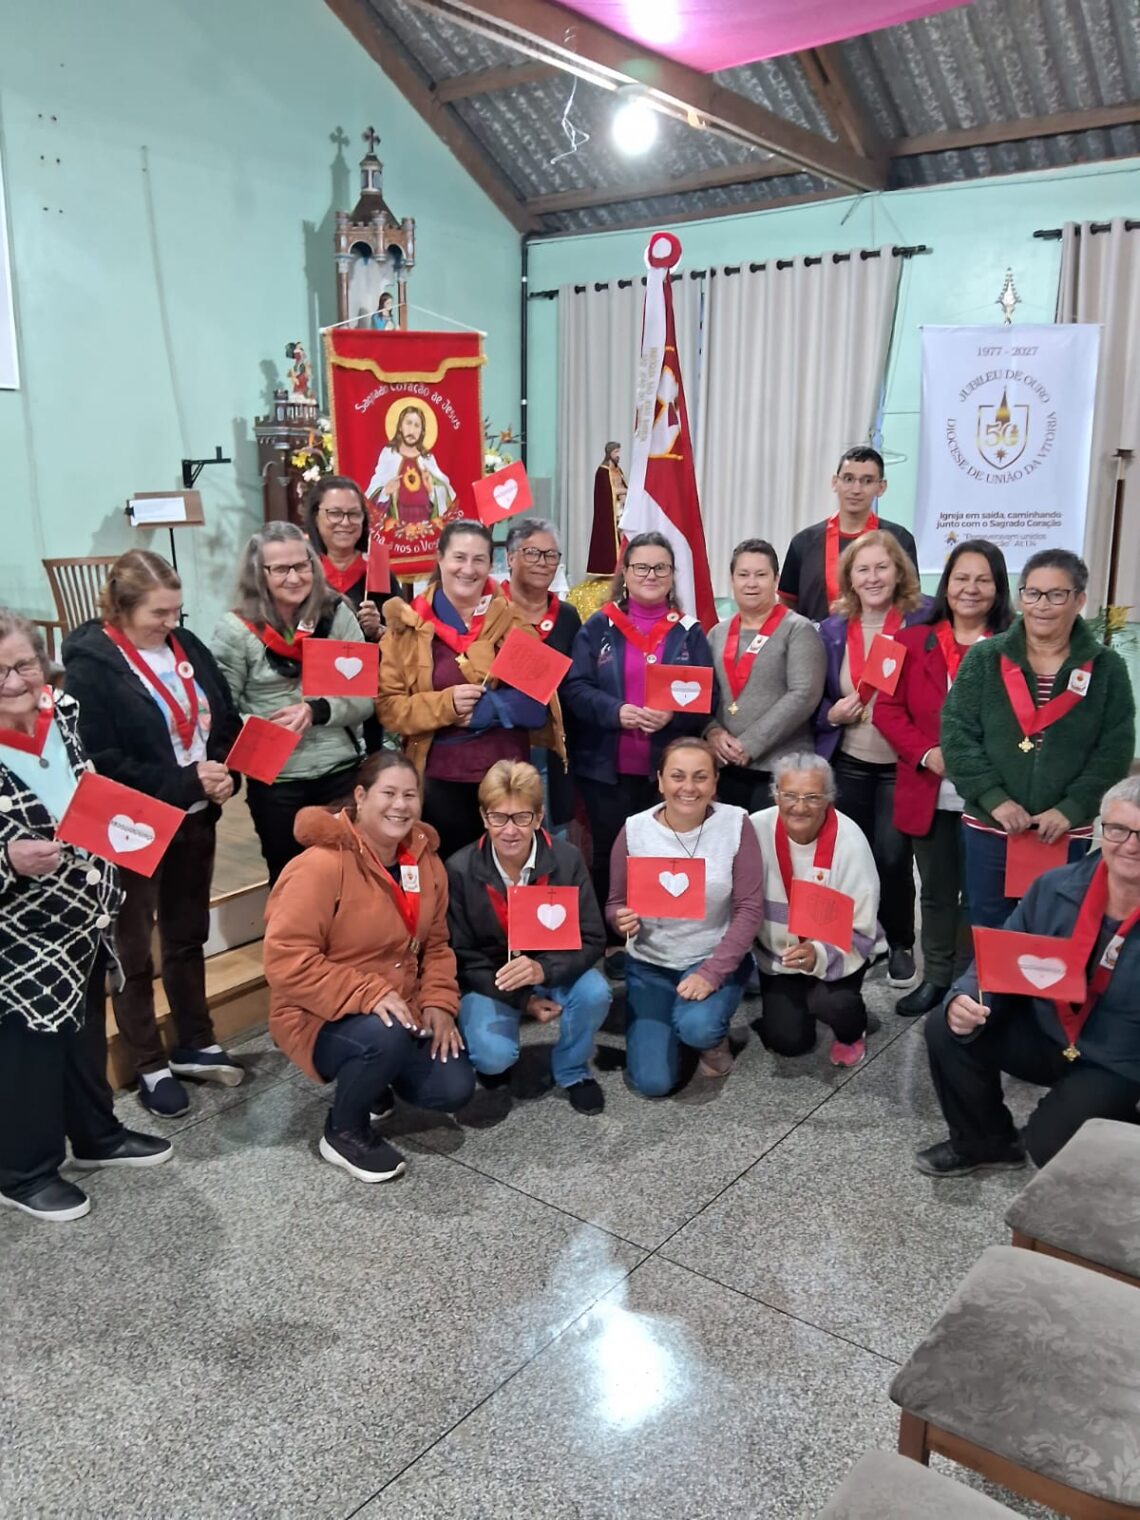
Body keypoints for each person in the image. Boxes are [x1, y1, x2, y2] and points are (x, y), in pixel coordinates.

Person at [0, 612, 170, 1222]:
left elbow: (87, 785)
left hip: (85, 911)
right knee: (29, 1052)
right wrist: (7, 858)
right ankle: (22, 1171)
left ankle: (96, 1135)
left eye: (23, 665)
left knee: (83, 1035)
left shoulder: (62, 711)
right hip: (17, 930)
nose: (14, 683)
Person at [62, 550, 245, 1118]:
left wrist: (225, 771)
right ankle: (148, 1061)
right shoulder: (94, 665)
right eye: (158, 614)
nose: (170, 623)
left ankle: (195, 1038)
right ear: (121, 608)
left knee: (187, 934)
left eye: (175, 611)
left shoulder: (185, 646)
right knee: (134, 948)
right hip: (132, 826)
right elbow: (99, 759)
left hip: (195, 816)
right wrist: (185, 779)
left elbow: (225, 717)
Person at [263, 752, 475, 1184]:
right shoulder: (319, 866)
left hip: (399, 1007)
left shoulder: (425, 861)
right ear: (360, 796)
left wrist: (439, 1003)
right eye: (389, 793)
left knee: (452, 1087)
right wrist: (368, 993)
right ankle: (343, 1131)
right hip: (316, 1012)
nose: (401, 805)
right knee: (385, 1034)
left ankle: (373, 1079)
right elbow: (286, 959)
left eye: (410, 795)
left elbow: (436, 945)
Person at [916, 775, 1140, 1176]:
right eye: (1118, 829)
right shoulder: (1055, 887)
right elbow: (1002, 957)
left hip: (1118, 1060)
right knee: (948, 1027)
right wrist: (966, 997)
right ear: (1101, 829)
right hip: (1049, 1031)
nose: (1131, 845)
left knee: (1049, 1147)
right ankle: (985, 1143)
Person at [940, 548, 1135, 930]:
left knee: (1053, 929)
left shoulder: (1106, 667)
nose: (1042, 605)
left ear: (1079, 600)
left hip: (1062, 830)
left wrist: (1072, 808)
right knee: (988, 927)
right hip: (991, 826)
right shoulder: (985, 658)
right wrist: (994, 799)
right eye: (1032, 593)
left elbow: (1114, 750)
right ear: (1020, 597)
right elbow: (957, 733)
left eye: (1056, 595)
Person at [874, 541, 1013, 1016]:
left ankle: (968, 980)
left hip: (991, 794)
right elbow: (887, 711)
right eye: (961, 578)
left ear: (998, 588)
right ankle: (935, 977)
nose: (970, 589)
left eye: (983, 580)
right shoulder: (911, 641)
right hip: (928, 790)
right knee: (935, 892)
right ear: (946, 584)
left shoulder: (1014, 646)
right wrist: (926, 753)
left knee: (979, 894)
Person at [563, 532, 717, 957]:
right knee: (610, 855)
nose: (651, 575)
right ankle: (613, 942)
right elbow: (575, 688)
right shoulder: (598, 626)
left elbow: (706, 696)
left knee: (666, 856)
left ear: (672, 574)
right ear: (626, 574)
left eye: (660, 567)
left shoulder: (688, 633)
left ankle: (664, 940)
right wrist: (616, 711)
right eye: (641, 567)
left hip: (667, 774)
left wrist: (673, 714)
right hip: (605, 769)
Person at [377, 519, 561, 860]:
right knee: (447, 877)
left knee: (510, 876)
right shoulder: (407, 628)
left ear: (491, 565)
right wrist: (446, 704)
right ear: (440, 558)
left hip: (509, 783)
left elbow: (539, 704)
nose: (468, 569)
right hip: (440, 781)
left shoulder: (513, 621)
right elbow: (390, 709)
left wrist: (490, 709)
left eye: (479, 559)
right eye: (459, 558)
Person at [212, 522, 374, 885]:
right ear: (259, 573)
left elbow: (366, 700)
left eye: (302, 565)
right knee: (289, 882)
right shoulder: (236, 629)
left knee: (350, 880)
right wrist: (263, 728)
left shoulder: (337, 615)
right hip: (278, 781)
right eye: (281, 569)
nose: (295, 577)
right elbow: (222, 713)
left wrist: (316, 711)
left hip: (341, 770)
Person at [446, 760, 610, 1114]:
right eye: (498, 817)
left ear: (538, 817)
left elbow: (593, 938)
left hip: (554, 965)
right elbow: (463, 956)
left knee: (595, 992)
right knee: (492, 1059)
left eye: (521, 817)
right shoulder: (459, 869)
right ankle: (496, 1055)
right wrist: (524, 1000)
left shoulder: (567, 859)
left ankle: (572, 1069)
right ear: (483, 817)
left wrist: (542, 970)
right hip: (494, 977)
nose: (510, 830)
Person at [608, 738, 764, 1096]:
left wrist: (712, 973)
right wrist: (620, 919)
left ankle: (710, 1039)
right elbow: (615, 902)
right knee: (652, 1084)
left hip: (712, 955)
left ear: (714, 782)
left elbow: (749, 908)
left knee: (699, 1028)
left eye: (700, 777)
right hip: (650, 963)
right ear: (661, 780)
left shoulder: (736, 823)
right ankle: (671, 1025)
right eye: (677, 776)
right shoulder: (634, 829)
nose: (689, 787)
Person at [815, 529, 927, 987]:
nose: (873, 577)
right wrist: (831, 714)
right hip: (849, 761)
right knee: (850, 855)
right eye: (863, 569)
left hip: (902, 764)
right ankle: (857, 933)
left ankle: (900, 941)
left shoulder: (922, 623)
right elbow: (815, 698)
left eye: (882, 567)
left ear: (899, 571)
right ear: (850, 577)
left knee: (893, 857)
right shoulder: (832, 630)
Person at [750, 753, 884, 1067]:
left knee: (833, 1003)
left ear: (829, 798)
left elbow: (861, 922)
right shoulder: (754, 829)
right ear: (775, 794)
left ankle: (852, 1031)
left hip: (837, 948)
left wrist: (818, 954)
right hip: (779, 955)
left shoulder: (850, 842)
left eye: (812, 797)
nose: (799, 807)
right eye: (790, 795)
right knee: (789, 1043)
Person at [706, 538, 825, 813]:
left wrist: (750, 744)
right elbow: (703, 692)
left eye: (761, 575)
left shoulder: (798, 629)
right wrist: (711, 731)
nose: (751, 583)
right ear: (732, 580)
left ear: (776, 580)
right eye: (743, 575)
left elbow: (804, 695)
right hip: (724, 765)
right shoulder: (717, 633)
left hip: (780, 769)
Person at [501, 516, 581, 828]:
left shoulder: (568, 617)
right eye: (532, 553)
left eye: (550, 555)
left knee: (552, 836)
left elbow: (577, 682)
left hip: (553, 750)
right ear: (510, 557)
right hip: (500, 744)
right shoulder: (489, 610)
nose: (542, 562)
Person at [778, 447, 918, 624]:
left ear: (881, 487)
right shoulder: (803, 543)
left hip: (882, 639)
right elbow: (787, 605)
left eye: (867, 481)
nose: (856, 489)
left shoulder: (899, 539)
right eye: (848, 479)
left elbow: (909, 599)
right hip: (815, 640)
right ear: (835, 482)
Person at [303, 475, 382, 641]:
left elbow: (403, 638)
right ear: (315, 516)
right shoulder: (301, 571)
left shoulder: (377, 569)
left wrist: (378, 630)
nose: (345, 522)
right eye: (335, 513)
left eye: (354, 514)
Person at [365, 403, 455, 525]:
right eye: (408, 423)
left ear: (422, 431)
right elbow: (372, 493)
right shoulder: (389, 454)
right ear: (400, 427)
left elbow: (446, 494)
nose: (412, 431)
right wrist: (385, 491)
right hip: (397, 520)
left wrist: (431, 489)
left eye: (417, 425)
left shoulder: (427, 458)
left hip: (424, 519)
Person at [586, 439, 628, 577]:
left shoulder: (618, 470)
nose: (618, 455)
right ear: (609, 453)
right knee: (611, 540)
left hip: (621, 510)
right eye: (616, 452)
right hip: (610, 513)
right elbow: (607, 493)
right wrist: (624, 491)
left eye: (619, 452)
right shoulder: (603, 472)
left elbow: (622, 486)